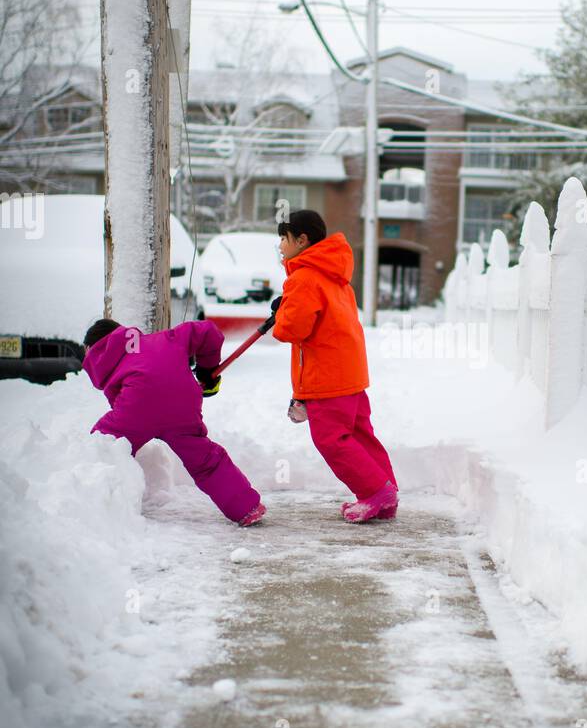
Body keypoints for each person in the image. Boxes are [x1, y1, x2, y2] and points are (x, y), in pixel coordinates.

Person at [271, 210, 398, 523]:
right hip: (349, 372)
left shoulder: (303, 276)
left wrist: (282, 313)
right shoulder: (334, 272)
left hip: (326, 376)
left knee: (331, 438)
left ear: (302, 239)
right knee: (359, 434)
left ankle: (374, 492)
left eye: (283, 239)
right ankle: (385, 492)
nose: (280, 246)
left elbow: (292, 329)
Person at [81, 317, 265, 527]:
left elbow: (121, 402)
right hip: (183, 404)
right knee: (205, 459)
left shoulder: (104, 358)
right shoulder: (165, 338)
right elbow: (208, 332)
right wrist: (207, 368)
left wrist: (141, 425)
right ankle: (246, 508)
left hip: (137, 408)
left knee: (103, 447)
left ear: (94, 346)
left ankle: (89, 499)